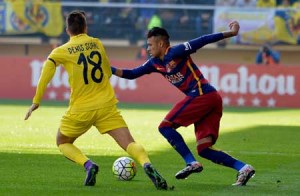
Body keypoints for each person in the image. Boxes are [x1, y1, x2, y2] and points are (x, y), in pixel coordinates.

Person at [24, 10, 168, 190]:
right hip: (106, 105)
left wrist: (36, 101)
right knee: (129, 143)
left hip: (81, 109)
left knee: (63, 142)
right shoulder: (97, 43)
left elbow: (46, 72)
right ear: (85, 27)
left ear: (67, 30)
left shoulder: (60, 51)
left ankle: (89, 165)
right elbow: (107, 72)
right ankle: (146, 163)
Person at [111, 20, 255, 186]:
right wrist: (110, 69)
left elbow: (202, 40)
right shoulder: (154, 63)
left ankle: (191, 163)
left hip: (203, 95)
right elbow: (131, 74)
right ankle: (243, 168)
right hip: (209, 99)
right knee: (204, 149)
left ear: (161, 43)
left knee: (165, 127)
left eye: (150, 45)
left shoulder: (176, 52)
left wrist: (231, 33)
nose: (148, 48)